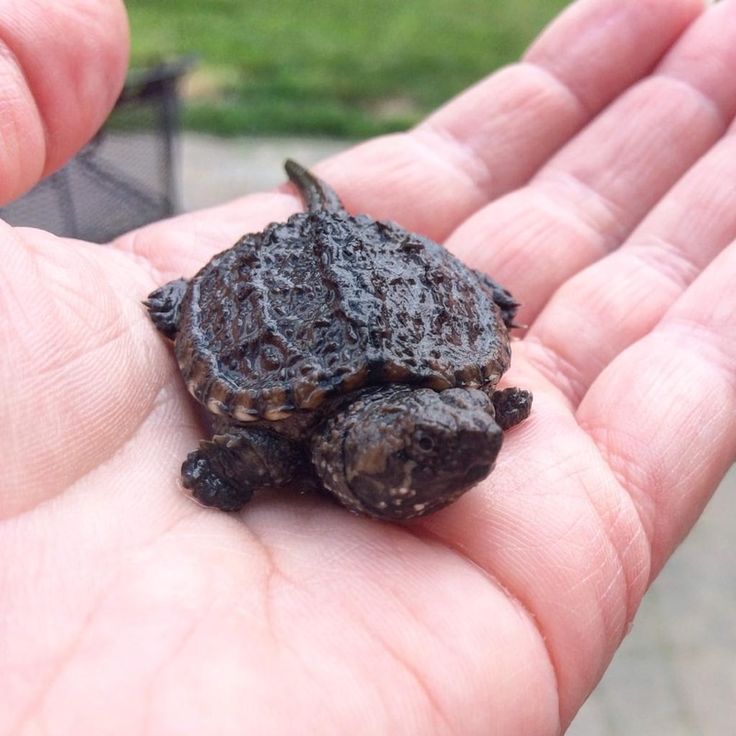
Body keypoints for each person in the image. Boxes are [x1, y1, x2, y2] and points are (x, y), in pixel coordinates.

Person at [2, 0, 734, 732]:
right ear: (355, 457)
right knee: (181, 309)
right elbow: (230, 458)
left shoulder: (464, 394)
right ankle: (202, 291)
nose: (477, 440)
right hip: (282, 275)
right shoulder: (278, 438)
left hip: (398, 292)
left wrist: (479, 399)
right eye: (436, 445)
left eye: (466, 435)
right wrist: (207, 392)